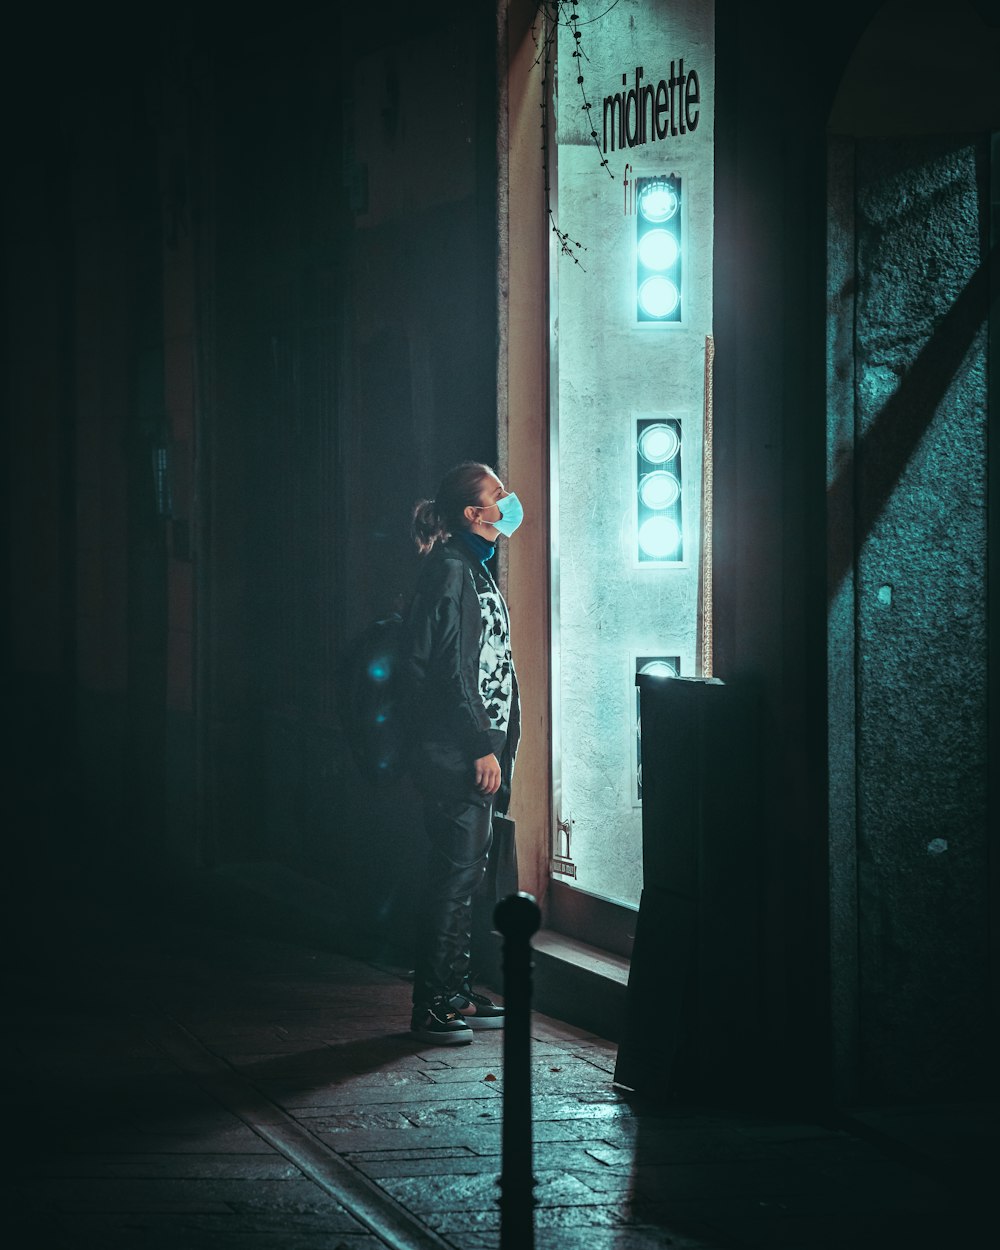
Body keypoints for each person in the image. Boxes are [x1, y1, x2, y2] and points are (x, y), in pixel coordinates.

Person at [403, 461, 522, 1044]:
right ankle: (432, 1006)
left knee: (467, 874)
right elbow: (449, 668)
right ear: (475, 513)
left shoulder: (470, 567)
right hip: (457, 753)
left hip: (475, 749)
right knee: (454, 878)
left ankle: (454, 990)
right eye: (499, 494)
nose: (509, 500)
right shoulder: (451, 571)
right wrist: (479, 745)